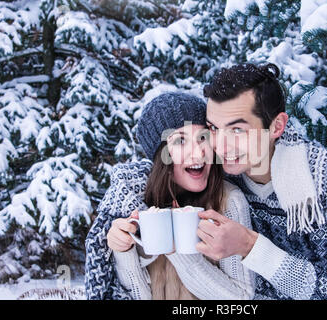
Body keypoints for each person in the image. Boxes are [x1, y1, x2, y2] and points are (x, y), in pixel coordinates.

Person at [195, 63, 327, 300]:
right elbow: (163, 165)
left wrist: (250, 246)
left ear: (277, 126)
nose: (220, 146)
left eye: (237, 130)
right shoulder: (218, 169)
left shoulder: (316, 174)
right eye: (214, 128)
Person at [84, 92, 255, 300]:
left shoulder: (229, 201)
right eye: (181, 141)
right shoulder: (137, 202)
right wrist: (123, 251)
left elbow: (241, 299)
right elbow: (137, 295)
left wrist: (178, 250)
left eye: (203, 137)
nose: (199, 152)